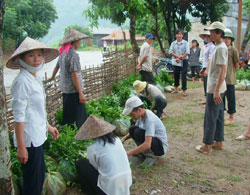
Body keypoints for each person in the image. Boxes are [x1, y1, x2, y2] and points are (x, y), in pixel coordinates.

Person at [7, 37, 60, 195]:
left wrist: (48, 127)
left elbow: (36, 111)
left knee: (38, 179)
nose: (36, 59)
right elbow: (19, 116)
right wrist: (22, 147)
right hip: (29, 140)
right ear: (21, 59)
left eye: (39, 55)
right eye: (31, 56)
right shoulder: (22, 81)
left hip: (37, 135)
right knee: (32, 184)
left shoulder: (34, 78)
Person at [75, 115, 132, 195]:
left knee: (81, 163)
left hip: (109, 189)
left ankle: (89, 191)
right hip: (126, 182)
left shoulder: (92, 148)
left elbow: (96, 168)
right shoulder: (117, 140)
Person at [196, 21, 228, 154]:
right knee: (219, 115)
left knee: (210, 117)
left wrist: (216, 91)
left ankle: (207, 146)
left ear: (219, 33)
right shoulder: (220, 46)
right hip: (220, 88)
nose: (210, 35)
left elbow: (222, 70)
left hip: (215, 88)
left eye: (212, 32)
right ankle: (218, 142)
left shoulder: (220, 48)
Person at [50, 28, 87, 129]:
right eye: (80, 40)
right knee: (79, 118)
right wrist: (80, 93)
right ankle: (79, 137)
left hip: (66, 90)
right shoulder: (73, 54)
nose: (80, 42)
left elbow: (57, 67)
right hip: (74, 91)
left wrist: (52, 77)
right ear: (75, 41)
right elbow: (74, 75)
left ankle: (69, 135)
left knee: (68, 116)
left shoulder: (63, 52)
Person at [121, 96, 168, 166]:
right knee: (133, 129)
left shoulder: (149, 120)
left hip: (160, 147)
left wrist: (129, 153)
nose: (131, 116)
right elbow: (132, 132)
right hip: (153, 141)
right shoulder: (141, 116)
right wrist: (123, 139)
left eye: (132, 114)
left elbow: (147, 144)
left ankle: (151, 156)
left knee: (138, 132)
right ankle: (143, 152)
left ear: (139, 110)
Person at [223, 28, 239, 126]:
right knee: (221, 98)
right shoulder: (220, 48)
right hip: (221, 79)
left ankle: (231, 117)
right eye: (225, 38)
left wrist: (232, 72)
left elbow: (236, 63)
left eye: (229, 38)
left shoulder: (233, 50)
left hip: (229, 78)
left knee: (231, 98)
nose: (227, 40)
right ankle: (221, 115)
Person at [169, 29, 190, 96]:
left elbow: (187, 52)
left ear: (182, 35)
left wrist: (180, 57)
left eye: (180, 34)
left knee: (183, 75)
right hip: (176, 61)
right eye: (178, 34)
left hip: (184, 61)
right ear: (175, 35)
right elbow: (170, 52)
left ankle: (184, 90)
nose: (179, 35)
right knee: (176, 74)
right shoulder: (173, 43)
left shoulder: (186, 43)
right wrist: (177, 57)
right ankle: (176, 89)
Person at [199, 31, 216, 104]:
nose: (207, 38)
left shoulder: (212, 46)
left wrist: (207, 69)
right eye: (205, 37)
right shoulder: (206, 46)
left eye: (208, 36)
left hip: (209, 67)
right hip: (205, 66)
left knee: (208, 83)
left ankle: (209, 99)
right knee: (205, 83)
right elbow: (205, 59)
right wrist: (203, 68)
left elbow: (210, 58)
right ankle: (206, 98)